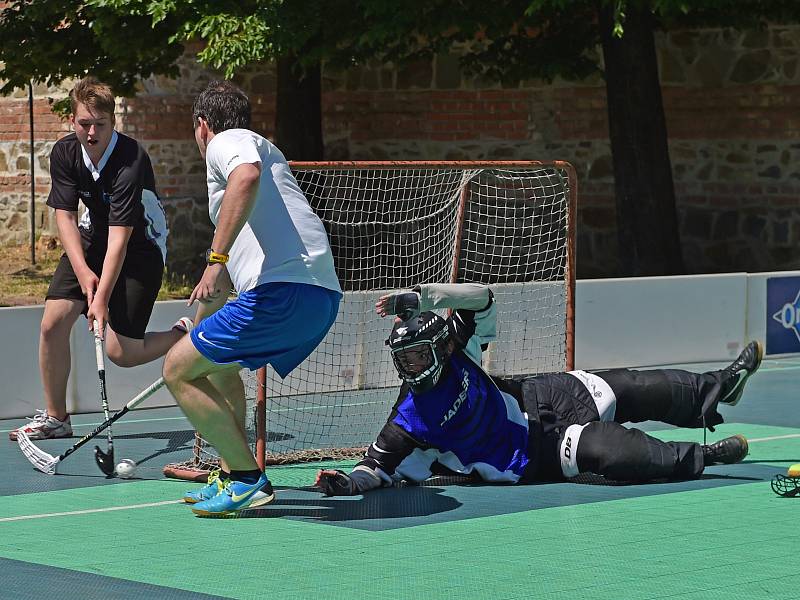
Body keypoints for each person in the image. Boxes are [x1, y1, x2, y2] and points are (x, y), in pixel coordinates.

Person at [315, 283, 760, 496]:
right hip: (536, 452)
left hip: (544, 394)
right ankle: (706, 456)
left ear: (441, 347)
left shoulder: (459, 347)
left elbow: (483, 297)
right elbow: (374, 468)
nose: (411, 368)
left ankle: (721, 388)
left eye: (418, 355)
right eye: (403, 360)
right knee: (617, 451)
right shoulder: (407, 419)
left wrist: (426, 297)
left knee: (639, 386)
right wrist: (345, 484)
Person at [163, 80, 342, 517]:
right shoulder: (260, 151)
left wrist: (213, 256)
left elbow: (247, 177)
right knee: (219, 369)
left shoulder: (229, 143)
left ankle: (247, 478)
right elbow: (222, 283)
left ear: (202, 125)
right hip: (316, 296)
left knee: (177, 370)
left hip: (283, 293)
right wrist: (197, 322)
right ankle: (231, 473)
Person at [10, 77, 190, 442]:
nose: (91, 133)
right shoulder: (64, 153)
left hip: (140, 247)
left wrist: (101, 298)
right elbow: (64, 214)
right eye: (83, 124)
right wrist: (83, 273)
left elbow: (121, 236)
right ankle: (57, 419)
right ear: (72, 121)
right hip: (94, 239)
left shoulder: (131, 158)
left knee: (121, 352)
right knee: (52, 323)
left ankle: (182, 334)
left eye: (100, 125)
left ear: (113, 122)